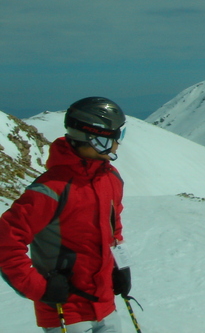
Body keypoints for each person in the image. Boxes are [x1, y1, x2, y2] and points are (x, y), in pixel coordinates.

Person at [0, 97, 131, 332]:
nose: (117, 145)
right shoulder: (52, 188)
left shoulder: (110, 178)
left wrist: (120, 267)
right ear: (94, 138)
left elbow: (114, 230)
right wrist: (40, 288)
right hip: (66, 312)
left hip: (105, 306)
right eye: (113, 138)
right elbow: (5, 240)